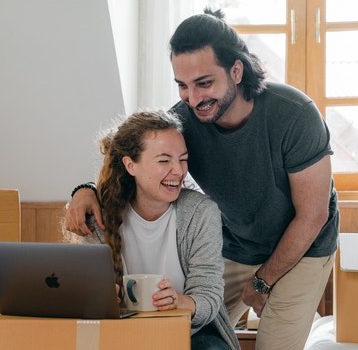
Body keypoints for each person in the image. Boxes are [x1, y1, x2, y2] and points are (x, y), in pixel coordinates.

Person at [67, 9, 339, 350]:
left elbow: (313, 215)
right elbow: (128, 151)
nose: (193, 98)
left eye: (204, 83)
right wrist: (86, 190)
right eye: (182, 85)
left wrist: (264, 281)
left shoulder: (295, 116)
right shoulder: (186, 118)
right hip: (237, 244)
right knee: (186, 326)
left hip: (303, 247)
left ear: (236, 71)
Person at [85, 110, 239, 350]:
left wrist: (178, 301)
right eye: (164, 160)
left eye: (183, 159)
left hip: (192, 334)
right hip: (123, 334)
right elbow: (86, 293)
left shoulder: (200, 212)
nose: (178, 171)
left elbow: (209, 297)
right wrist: (101, 298)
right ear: (130, 165)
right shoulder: (99, 216)